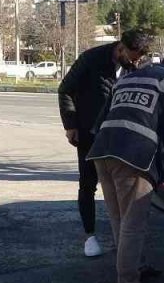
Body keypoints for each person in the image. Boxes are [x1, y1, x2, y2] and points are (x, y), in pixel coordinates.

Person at [87, 52, 164, 283]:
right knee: (133, 223)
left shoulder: (127, 79)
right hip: (134, 158)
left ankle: (133, 267)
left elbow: (101, 119)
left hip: (102, 151)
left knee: (119, 219)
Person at [58, 29, 153, 258]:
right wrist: (71, 125)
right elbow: (65, 90)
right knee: (88, 184)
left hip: (121, 136)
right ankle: (89, 236)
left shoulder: (135, 66)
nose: (135, 62)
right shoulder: (92, 59)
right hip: (90, 133)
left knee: (123, 187)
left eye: (139, 58)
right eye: (132, 56)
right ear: (121, 47)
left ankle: (122, 236)